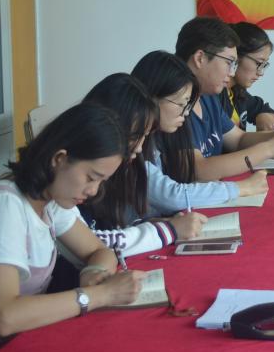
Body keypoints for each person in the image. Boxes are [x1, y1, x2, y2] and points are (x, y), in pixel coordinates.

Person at [0, 104, 147, 352]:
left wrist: (94, 272)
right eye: (91, 177)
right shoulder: (5, 205)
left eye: (101, 181)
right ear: (58, 159)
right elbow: (3, 316)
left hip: (19, 343)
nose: (93, 191)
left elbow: (99, 251)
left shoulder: (50, 201)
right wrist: (99, 294)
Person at [76, 74, 207, 261]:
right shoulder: (64, 191)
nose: (139, 148)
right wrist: (169, 229)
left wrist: (157, 224)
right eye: (134, 136)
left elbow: (119, 227)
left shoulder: (124, 168)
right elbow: (94, 243)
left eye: (144, 137)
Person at [134, 50, 269, 214]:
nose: (185, 113)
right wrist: (241, 188)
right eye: (181, 104)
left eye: (188, 105)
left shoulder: (151, 139)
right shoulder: (131, 144)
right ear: (152, 98)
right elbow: (171, 196)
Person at [175, 17, 274, 180]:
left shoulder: (207, 97)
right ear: (200, 58)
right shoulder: (173, 103)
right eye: (229, 63)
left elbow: (238, 139)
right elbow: (197, 169)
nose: (232, 73)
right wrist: (269, 149)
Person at [221, 22, 274, 135]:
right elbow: (235, 141)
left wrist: (266, 116)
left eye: (264, 65)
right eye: (259, 63)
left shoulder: (237, 91)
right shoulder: (213, 96)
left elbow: (263, 108)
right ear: (235, 56)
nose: (261, 73)